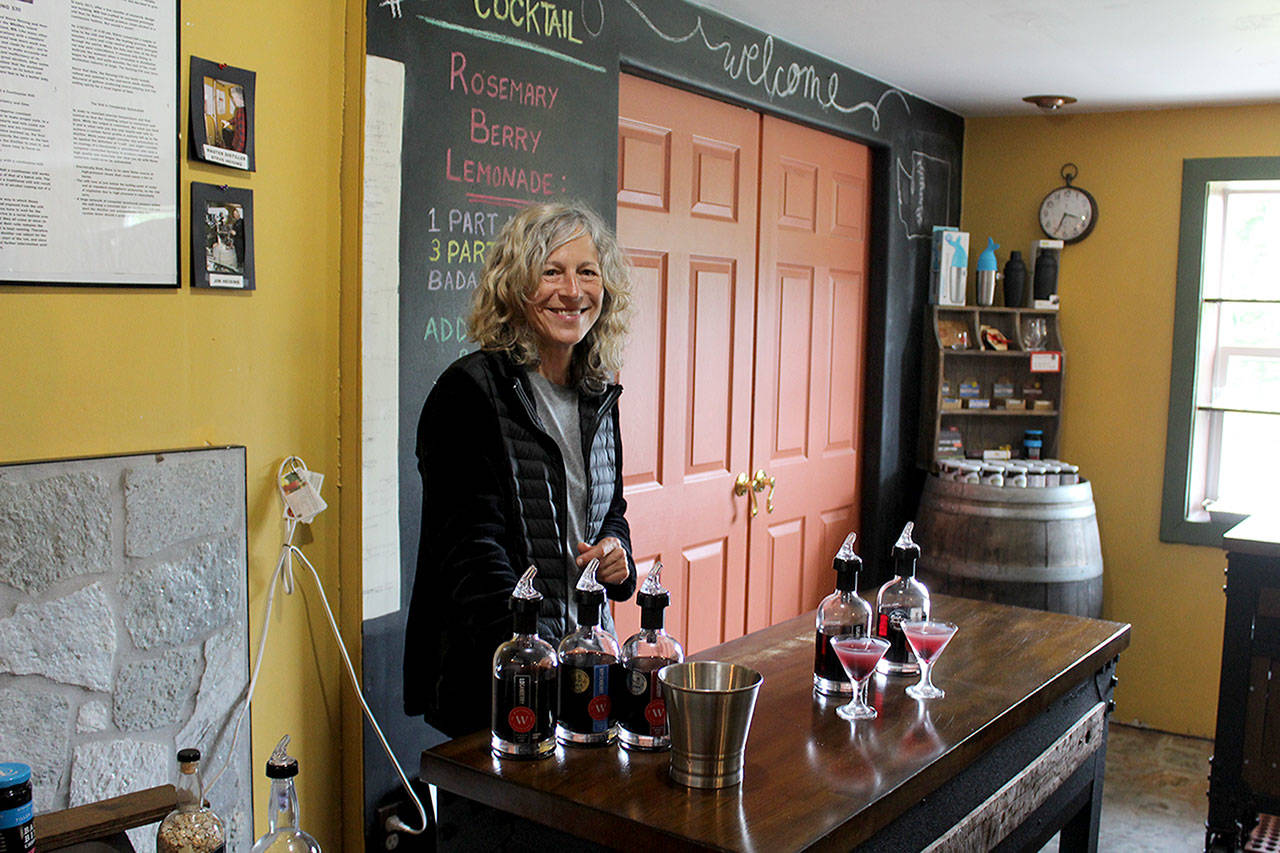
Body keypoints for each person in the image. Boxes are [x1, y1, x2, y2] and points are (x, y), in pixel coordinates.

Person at [404, 201, 637, 739]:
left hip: (587, 669)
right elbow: (471, 560)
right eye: (550, 272)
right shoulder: (468, 393)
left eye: (587, 272)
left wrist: (615, 552)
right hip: (501, 685)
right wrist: (537, 664)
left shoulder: (598, 393)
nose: (572, 291)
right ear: (514, 287)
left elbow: (609, 510)